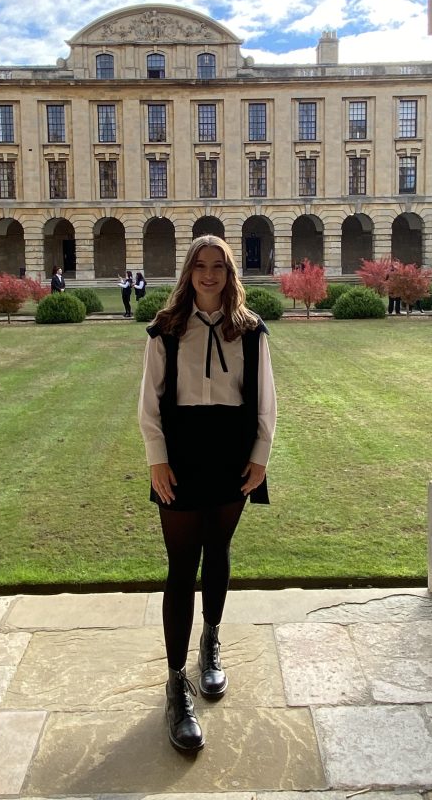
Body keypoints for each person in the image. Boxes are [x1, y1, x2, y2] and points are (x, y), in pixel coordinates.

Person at [138, 235, 276, 752]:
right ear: (189, 273)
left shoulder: (252, 330)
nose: (210, 275)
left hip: (232, 455)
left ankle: (211, 642)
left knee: (218, 551)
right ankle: (177, 682)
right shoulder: (166, 329)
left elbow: (266, 402)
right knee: (180, 566)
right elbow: (149, 403)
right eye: (201, 266)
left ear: (230, 272)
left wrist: (260, 456)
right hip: (180, 456)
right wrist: (157, 457)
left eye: (219, 266)